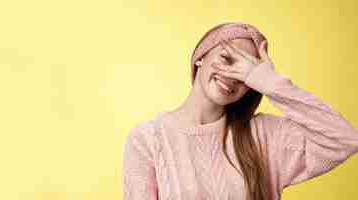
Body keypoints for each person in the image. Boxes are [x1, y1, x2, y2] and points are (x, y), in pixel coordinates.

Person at [122, 22, 358, 200]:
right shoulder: (148, 138)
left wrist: (269, 81)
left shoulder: (264, 135)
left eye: (247, 72)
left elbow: (345, 139)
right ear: (200, 59)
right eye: (227, 59)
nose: (234, 77)